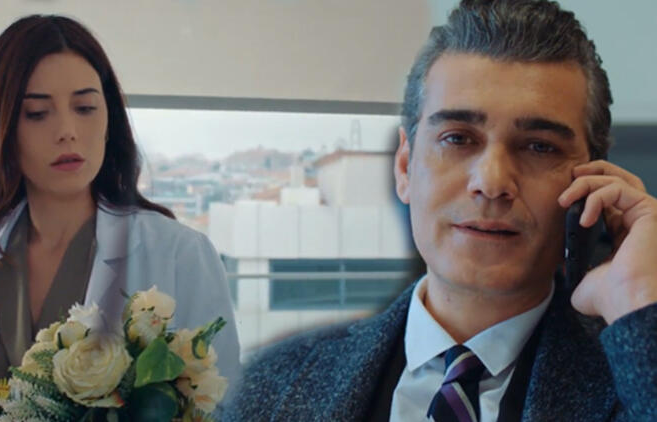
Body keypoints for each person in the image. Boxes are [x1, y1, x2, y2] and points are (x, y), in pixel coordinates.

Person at [224, 1, 657, 421]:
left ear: (595, 182)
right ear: (404, 167)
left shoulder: (636, 375)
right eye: (457, 139)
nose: (491, 182)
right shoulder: (274, 386)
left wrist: (639, 295)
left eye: (539, 147)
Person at [0, 15, 240, 421]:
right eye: (37, 113)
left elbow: (228, 406)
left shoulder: (179, 254)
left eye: (86, 108)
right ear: (2, 127)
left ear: (109, 119)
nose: (67, 131)